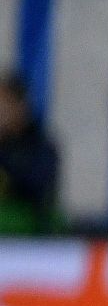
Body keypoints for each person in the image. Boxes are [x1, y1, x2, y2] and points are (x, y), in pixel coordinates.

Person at [0, 74, 60, 236]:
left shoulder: (39, 147)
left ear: (19, 107)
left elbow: (36, 186)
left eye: (3, 105)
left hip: (28, 228)